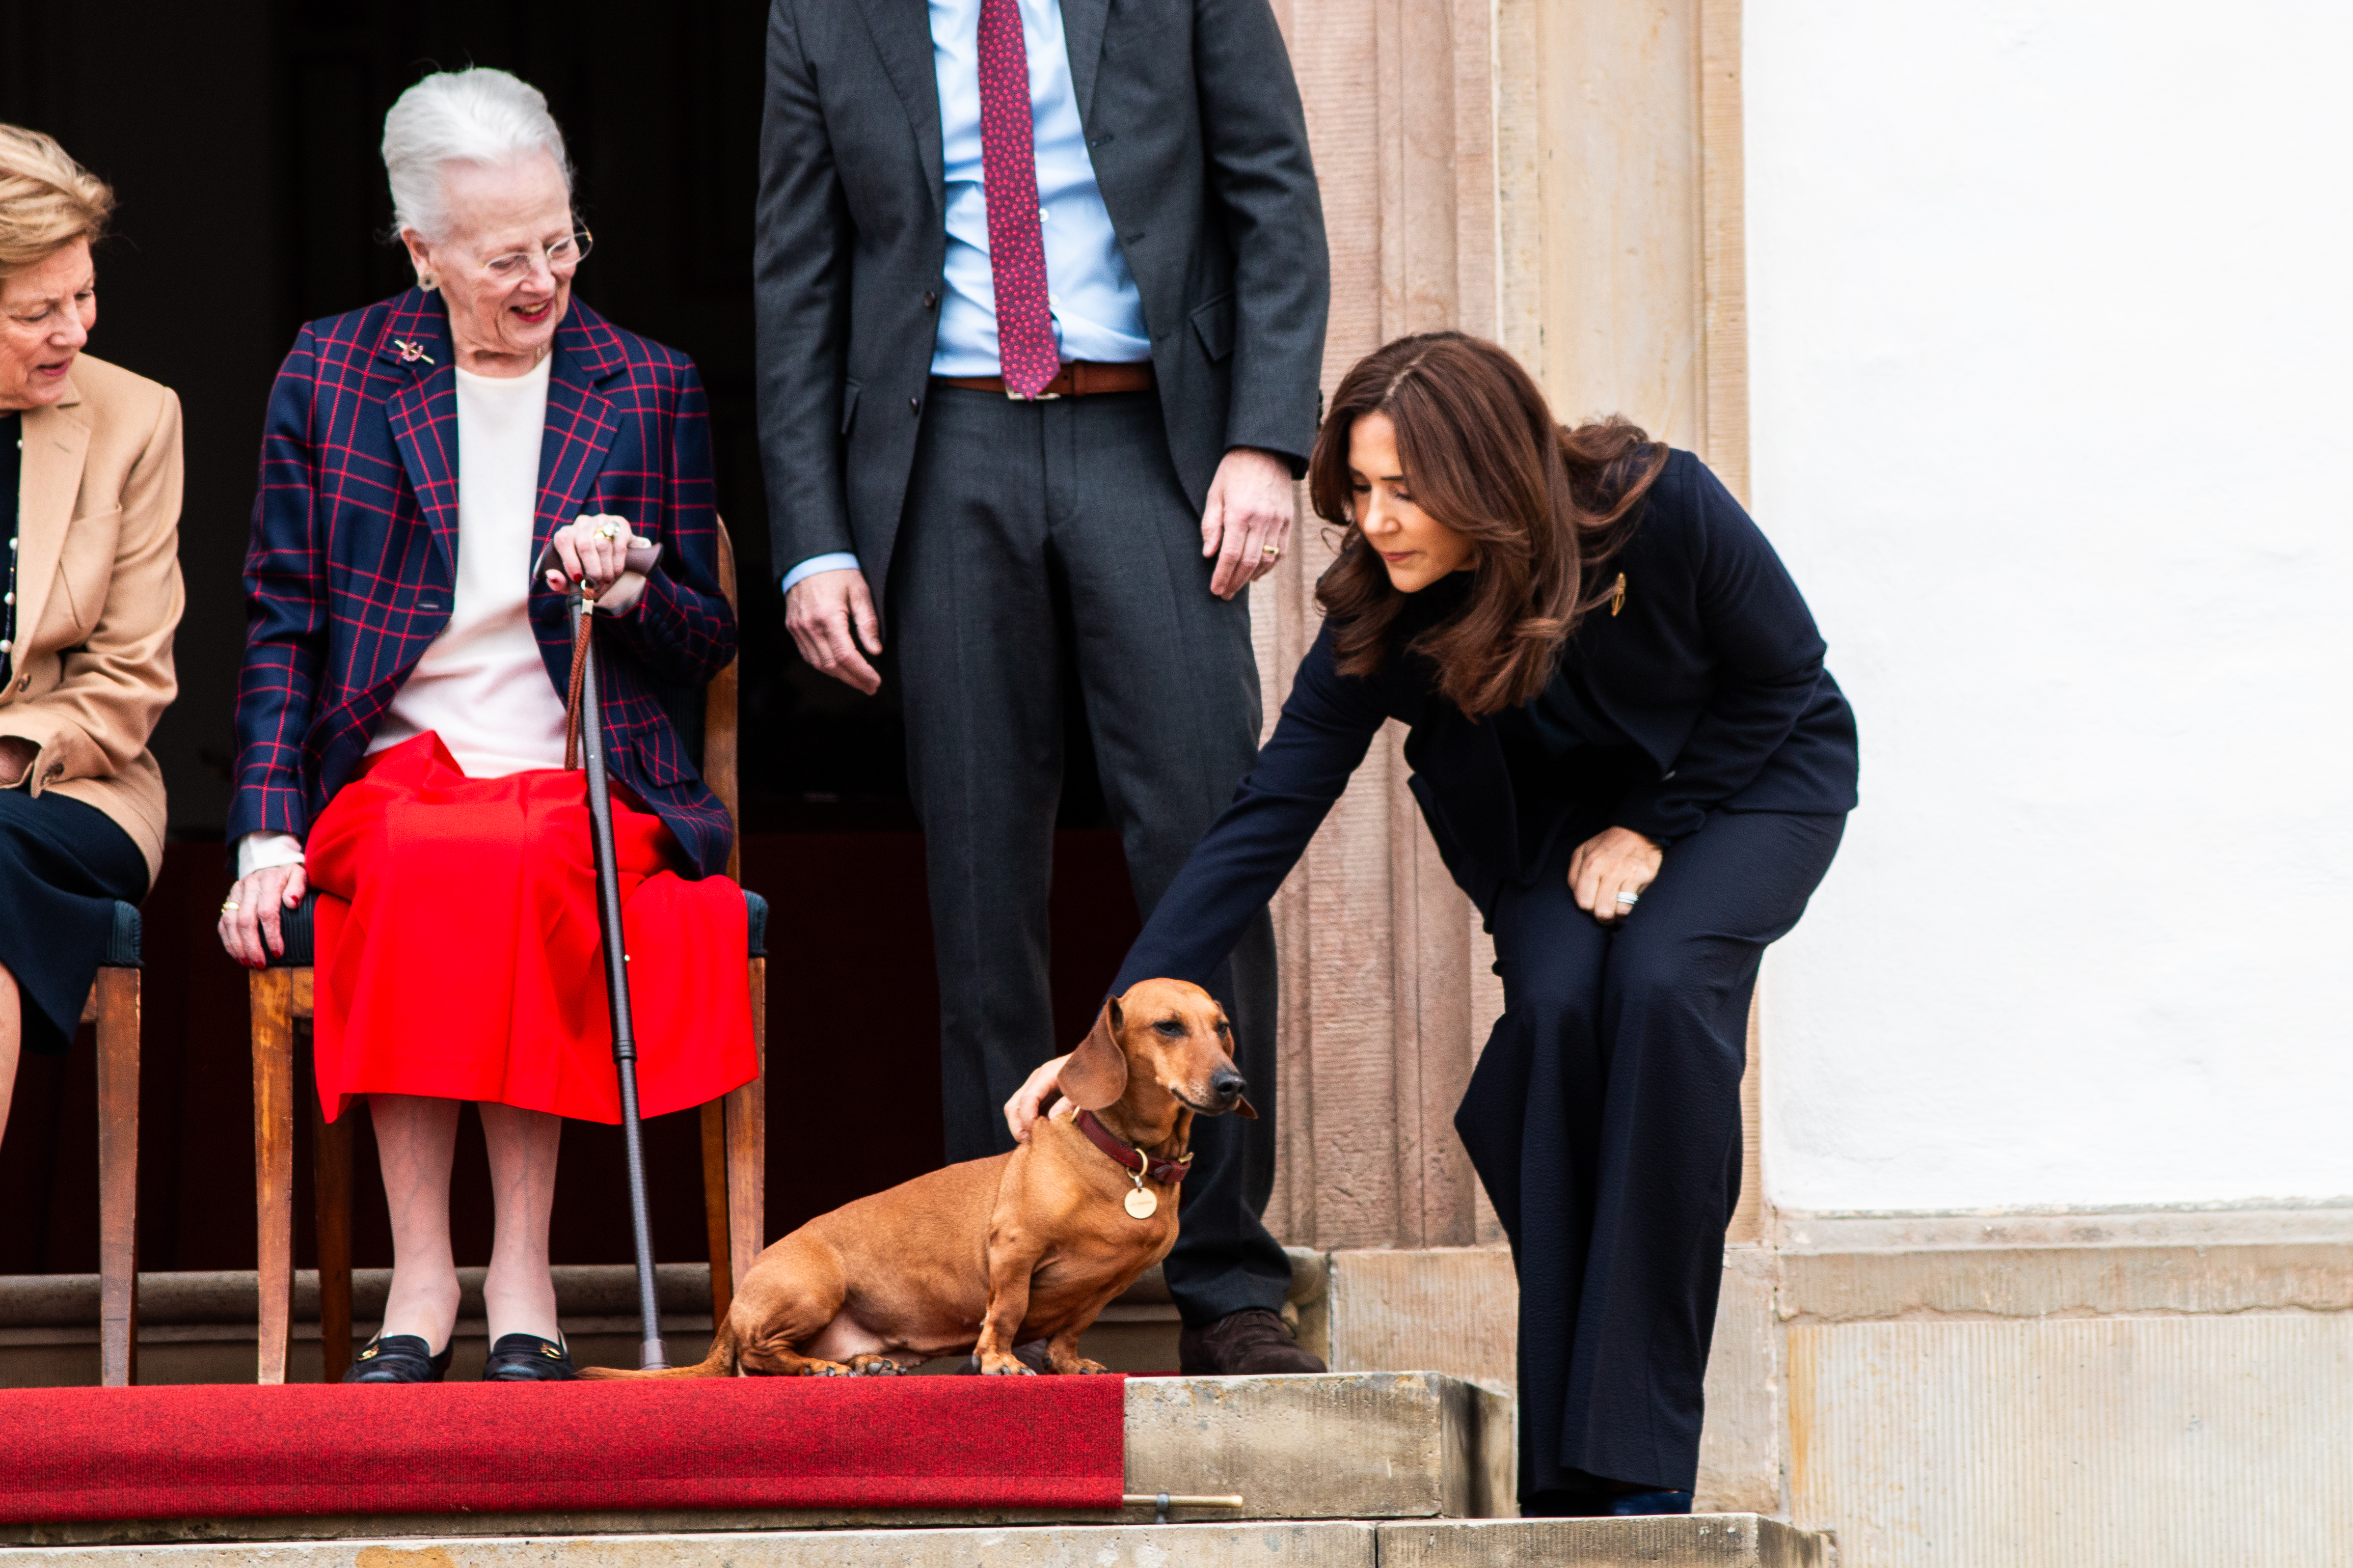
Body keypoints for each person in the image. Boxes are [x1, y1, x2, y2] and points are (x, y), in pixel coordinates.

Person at [1009, 333, 1858, 1512]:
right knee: (1558, 1016)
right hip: (1548, 828)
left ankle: (1643, 1477)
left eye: (1407, 489)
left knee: (1661, 991)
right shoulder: (1380, 609)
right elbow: (1266, 814)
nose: (1380, 518)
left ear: (1491, 476)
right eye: (1359, 489)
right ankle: (1565, 1474)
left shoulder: (1657, 507)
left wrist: (1659, 825)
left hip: (1746, 780)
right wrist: (1110, 1028)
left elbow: (1784, 675)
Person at [756, 0, 1331, 1372]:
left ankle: (1229, 1284)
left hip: (1150, 437)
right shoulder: (822, 17)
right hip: (943, 447)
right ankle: (990, 1299)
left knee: (1203, 839)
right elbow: (799, 275)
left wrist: (1263, 437)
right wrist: (817, 535)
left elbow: (1274, 200)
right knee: (977, 876)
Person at [218, 69, 753, 1384]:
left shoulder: (647, 384)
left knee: (525, 857)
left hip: (585, 771)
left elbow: (703, 640)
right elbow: (281, 622)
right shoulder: (334, 373)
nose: (544, 281)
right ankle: (423, 1274)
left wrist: (628, 579)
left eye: (561, 241)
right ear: (421, 252)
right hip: (394, 768)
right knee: (416, 859)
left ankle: (522, 1266)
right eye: (505, 255)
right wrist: (262, 834)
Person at [0, 126, 182, 1150]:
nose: (75, 327)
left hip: (73, 788)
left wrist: (11, 753)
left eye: (84, 295)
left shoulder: (138, 418)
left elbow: (129, 679)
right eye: (38, 311)